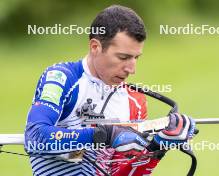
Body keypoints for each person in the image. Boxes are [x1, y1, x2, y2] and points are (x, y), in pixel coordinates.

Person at [24, 5, 196, 176]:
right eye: (123, 57)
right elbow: (34, 137)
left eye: (136, 58)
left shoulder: (134, 100)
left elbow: (120, 173)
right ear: (95, 47)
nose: (132, 69)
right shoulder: (61, 78)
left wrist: (157, 147)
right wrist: (103, 135)